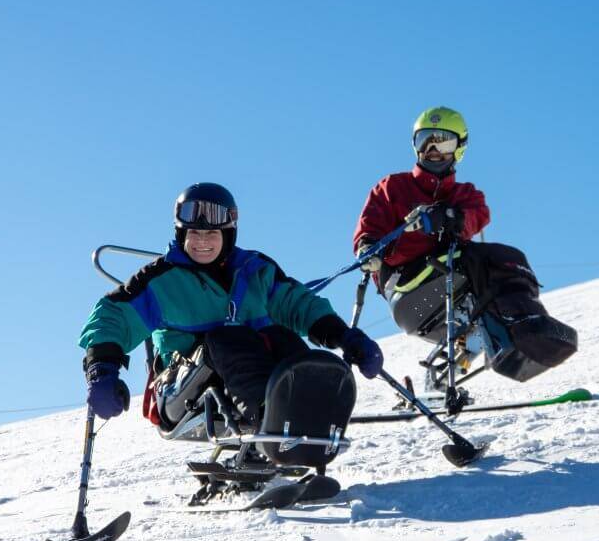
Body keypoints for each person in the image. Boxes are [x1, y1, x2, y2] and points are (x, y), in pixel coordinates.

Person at [80, 182, 384, 426]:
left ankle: (311, 411)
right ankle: (270, 415)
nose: (202, 242)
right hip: (182, 390)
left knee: (280, 336)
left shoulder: (255, 270)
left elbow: (298, 304)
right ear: (180, 233)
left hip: (248, 376)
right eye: (193, 234)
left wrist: (345, 336)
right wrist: (101, 370)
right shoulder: (161, 279)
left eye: (211, 233)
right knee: (226, 336)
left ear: (227, 234)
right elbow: (112, 315)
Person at [352, 107, 576, 381]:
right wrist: (369, 249)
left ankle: (521, 328)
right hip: (405, 286)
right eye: (425, 141)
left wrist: (449, 216)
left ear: (459, 148)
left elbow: (477, 215)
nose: (432, 149)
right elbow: (370, 227)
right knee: (478, 258)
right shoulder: (393, 187)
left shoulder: (465, 194)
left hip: (450, 280)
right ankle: (516, 327)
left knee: (509, 258)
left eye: (443, 142)